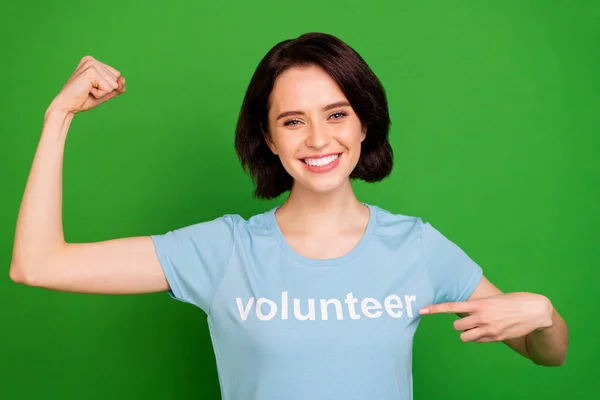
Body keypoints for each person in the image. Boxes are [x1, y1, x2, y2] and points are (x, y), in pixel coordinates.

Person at [9, 32, 568, 399]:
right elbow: (37, 264)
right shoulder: (222, 252)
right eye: (293, 121)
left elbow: (549, 354)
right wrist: (58, 116)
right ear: (268, 139)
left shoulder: (416, 246)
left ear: (364, 124)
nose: (319, 138)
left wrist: (543, 315)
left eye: (337, 114)